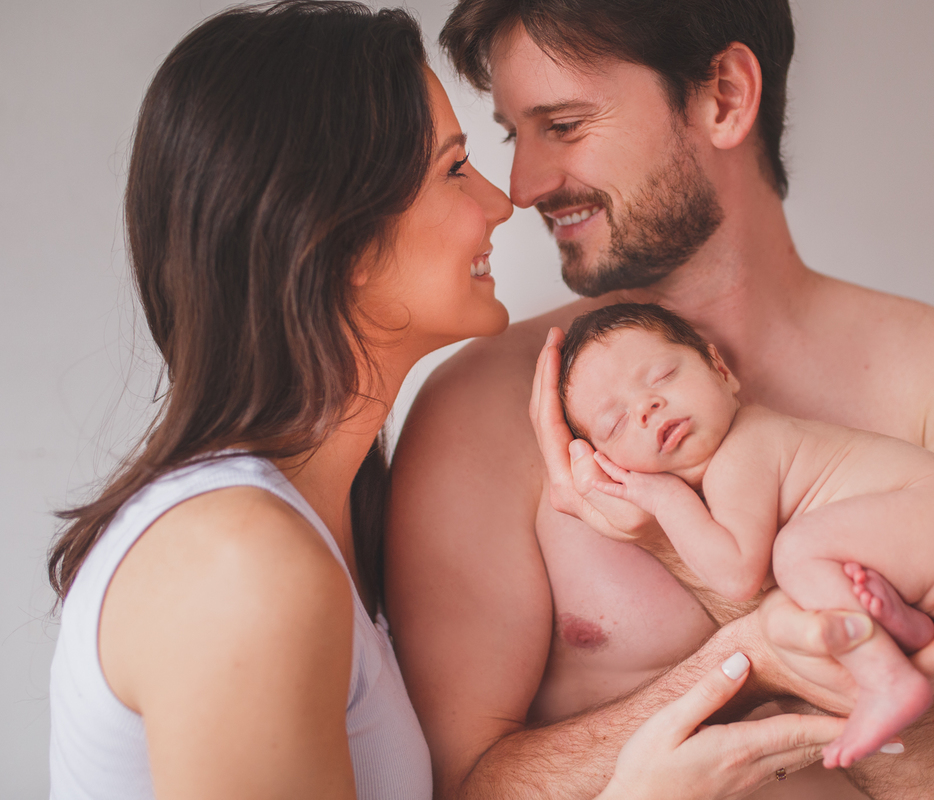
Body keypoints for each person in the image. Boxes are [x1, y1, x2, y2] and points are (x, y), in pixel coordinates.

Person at [45, 3, 851, 799]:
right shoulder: (241, 567)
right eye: (454, 169)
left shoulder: (312, 524)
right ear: (342, 240)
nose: (504, 202)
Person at [386, 0, 934, 798]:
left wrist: (689, 562)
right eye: (511, 133)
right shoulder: (481, 406)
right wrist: (748, 657)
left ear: (725, 96)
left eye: (562, 125)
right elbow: (466, 788)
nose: (522, 186)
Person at [557, 302, 934, 768]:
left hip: (927, 509)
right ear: (610, 465)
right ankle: (905, 627)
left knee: (795, 553)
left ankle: (888, 680)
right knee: (783, 606)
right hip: (923, 540)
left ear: (721, 370)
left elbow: (739, 577)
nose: (646, 407)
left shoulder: (744, 449)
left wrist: (661, 498)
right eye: (615, 423)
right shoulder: (735, 466)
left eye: (662, 376)